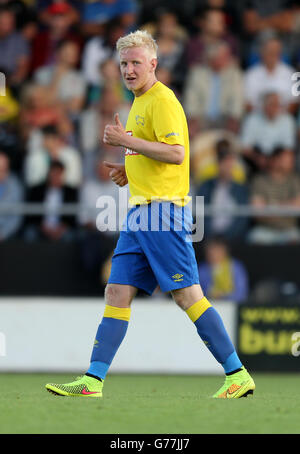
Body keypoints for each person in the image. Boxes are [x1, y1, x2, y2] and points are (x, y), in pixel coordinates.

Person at [45, 30, 255, 399]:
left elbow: (176, 153)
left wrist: (126, 142)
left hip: (162, 213)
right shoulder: (139, 102)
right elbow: (156, 152)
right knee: (117, 289)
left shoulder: (162, 100)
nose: (128, 70)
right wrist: (130, 169)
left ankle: (236, 373)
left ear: (153, 64)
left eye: (135, 63)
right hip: (139, 214)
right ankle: (93, 381)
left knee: (187, 295)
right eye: (124, 63)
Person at [198, 236, 249, 303]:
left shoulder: (236, 267)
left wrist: (223, 296)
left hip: (232, 306)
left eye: (216, 250)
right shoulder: (202, 269)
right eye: (210, 250)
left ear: (225, 250)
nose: (212, 253)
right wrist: (209, 295)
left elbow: (242, 293)